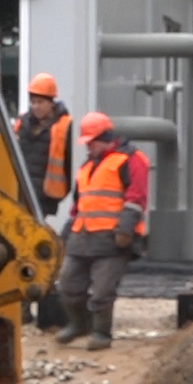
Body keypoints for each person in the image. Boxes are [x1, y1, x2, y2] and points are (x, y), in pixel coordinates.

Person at [55, 112, 150, 351]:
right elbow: (79, 206)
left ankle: (101, 333)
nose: (88, 145)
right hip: (82, 236)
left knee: (102, 290)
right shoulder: (87, 167)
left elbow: (136, 198)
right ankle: (80, 325)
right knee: (67, 285)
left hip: (113, 238)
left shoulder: (131, 160)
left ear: (106, 137)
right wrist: (66, 235)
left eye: (91, 141)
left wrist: (125, 229)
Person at [12, 73, 75, 330]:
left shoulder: (63, 126)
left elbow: (66, 165)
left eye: (41, 101)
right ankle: (23, 305)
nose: (36, 106)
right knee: (20, 248)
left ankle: (33, 300)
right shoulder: (20, 125)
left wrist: (55, 198)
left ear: (51, 102)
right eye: (33, 101)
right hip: (20, 194)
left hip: (43, 195)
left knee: (33, 248)